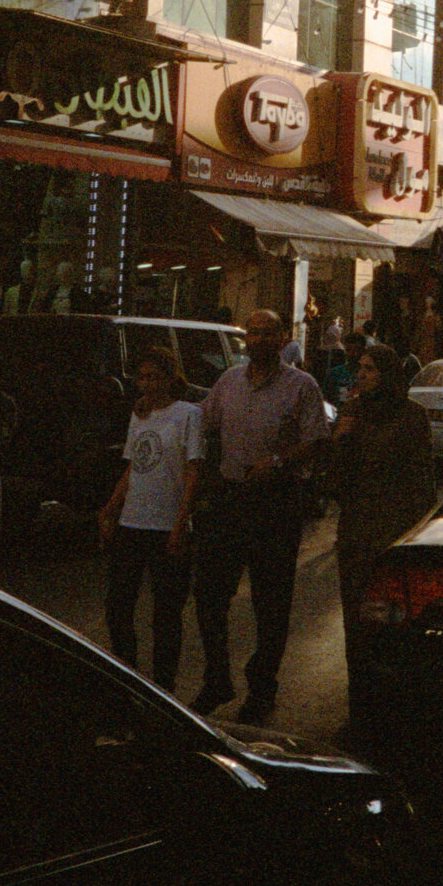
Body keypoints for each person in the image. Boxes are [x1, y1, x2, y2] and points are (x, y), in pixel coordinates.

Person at [192, 309, 330, 725]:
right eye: (252, 332)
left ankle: (261, 688)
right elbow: (203, 421)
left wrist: (277, 462)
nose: (258, 338)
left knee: (271, 604)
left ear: (282, 338)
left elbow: (317, 441)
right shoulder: (229, 381)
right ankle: (217, 677)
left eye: (267, 332)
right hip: (230, 501)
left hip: (276, 503)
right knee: (210, 596)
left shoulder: (302, 386)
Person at [331, 343, 436, 716]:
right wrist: (341, 440)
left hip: (395, 535)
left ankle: (397, 704)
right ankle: (359, 702)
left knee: (395, 624)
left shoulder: (411, 417)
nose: (361, 375)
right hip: (357, 532)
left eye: (370, 369)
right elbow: (334, 482)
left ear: (388, 375)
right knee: (356, 623)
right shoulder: (352, 414)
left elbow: (423, 481)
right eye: (360, 367)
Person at [98, 345, 201, 693]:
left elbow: (192, 472)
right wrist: (111, 508)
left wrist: (180, 523)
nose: (147, 385)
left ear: (170, 378)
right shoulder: (139, 414)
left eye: (154, 377)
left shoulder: (188, 414)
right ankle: (128, 676)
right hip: (133, 522)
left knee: (166, 614)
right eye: (142, 377)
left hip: (165, 524)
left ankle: (163, 686)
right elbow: (133, 466)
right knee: (118, 607)